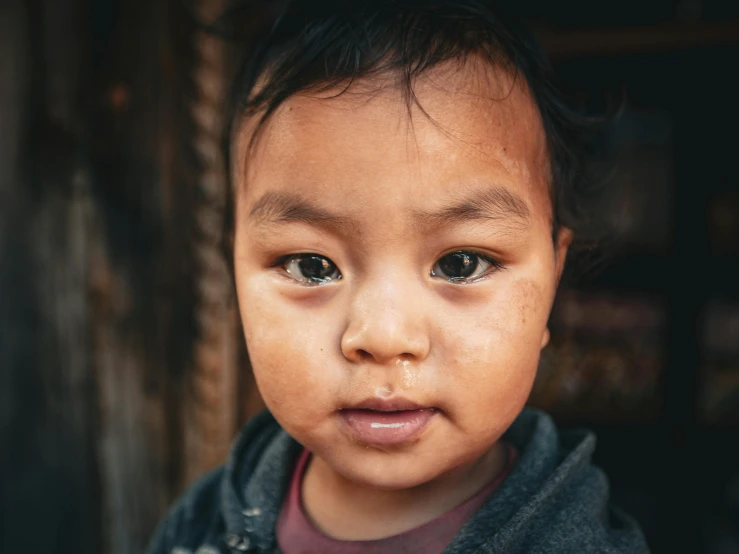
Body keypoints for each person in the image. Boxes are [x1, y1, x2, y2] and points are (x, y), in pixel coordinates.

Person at [147, 1, 650, 552]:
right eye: (312, 266)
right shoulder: (203, 522)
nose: (384, 337)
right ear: (234, 272)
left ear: (552, 283)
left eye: (462, 263)